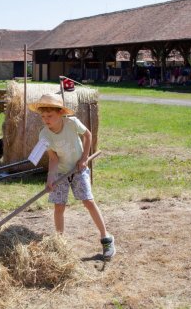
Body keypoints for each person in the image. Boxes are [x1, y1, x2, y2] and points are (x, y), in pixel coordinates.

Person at [28, 93, 116, 260]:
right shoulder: (44, 135)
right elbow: (53, 158)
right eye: (43, 116)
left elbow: (88, 135)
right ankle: (60, 243)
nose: (46, 120)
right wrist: (50, 178)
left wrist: (84, 159)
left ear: (60, 113)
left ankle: (106, 238)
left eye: (50, 116)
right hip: (61, 172)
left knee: (88, 201)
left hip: (78, 169)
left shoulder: (72, 123)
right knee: (59, 207)